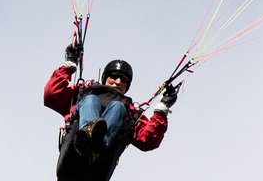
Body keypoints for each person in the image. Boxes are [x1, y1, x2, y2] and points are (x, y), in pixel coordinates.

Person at [45, 38, 176, 179]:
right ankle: (88, 135)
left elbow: (149, 140)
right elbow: (52, 95)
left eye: (123, 80)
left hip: (98, 166)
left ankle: (96, 144)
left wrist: (162, 108)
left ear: (127, 86)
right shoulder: (83, 93)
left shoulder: (129, 112)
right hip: (73, 158)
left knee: (118, 107)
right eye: (114, 77)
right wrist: (69, 65)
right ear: (105, 78)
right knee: (91, 100)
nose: (118, 82)